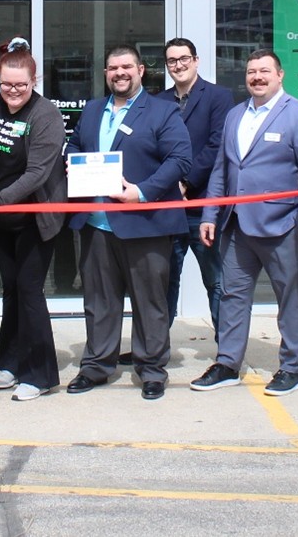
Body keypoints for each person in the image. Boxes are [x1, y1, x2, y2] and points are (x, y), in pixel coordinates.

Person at [64, 44, 191, 401]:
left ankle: (151, 369)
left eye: (126, 67)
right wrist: (72, 162)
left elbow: (180, 160)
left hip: (146, 223)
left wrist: (143, 192)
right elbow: (75, 145)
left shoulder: (163, 112)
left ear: (140, 71)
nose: (119, 73)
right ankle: (96, 366)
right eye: (112, 68)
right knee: (99, 301)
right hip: (97, 225)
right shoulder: (92, 111)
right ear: (106, 73)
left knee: (149, 301)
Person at [191, 48, 298, 397]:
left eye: (264, 71)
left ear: (280, 75)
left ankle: (291, 368)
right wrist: (210, 214)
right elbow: (222, 169)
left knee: (289, 297)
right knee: (232, 296)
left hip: (282, 224)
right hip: (237, 225)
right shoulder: (234, 115)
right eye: (251, 72)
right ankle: (228, 363)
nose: (257, 77)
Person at [118, 37, 232, 365]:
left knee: (216, 280)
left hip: (202, 207)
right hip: (167, 207)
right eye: (171, 61)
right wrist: (164, 185)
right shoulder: (158, 100)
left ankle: (227, 351)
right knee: (163, 280)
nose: (178, 65)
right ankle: (152, 349)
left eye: (183, 59)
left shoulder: (218, 97)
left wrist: (184, 180)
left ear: (196, 60)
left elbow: (215, 145)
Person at [0, 37, 67, 401]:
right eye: (7, 84)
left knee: (29, 290)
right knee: (9, 290)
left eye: (21, 86)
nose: (13, 92)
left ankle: (41, 374)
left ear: (34, 82)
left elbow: (38, 173)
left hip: (35, 217)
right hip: (0, 216)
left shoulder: (46, 115)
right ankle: (9, 363)